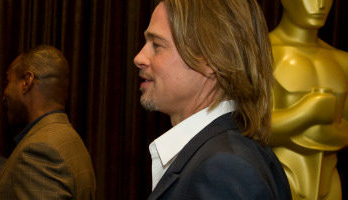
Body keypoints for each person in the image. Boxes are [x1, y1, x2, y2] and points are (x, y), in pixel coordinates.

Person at [134, 0, 292, 199]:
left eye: (157, 45)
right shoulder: (223, 155)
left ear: (211, 59)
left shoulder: (225, 169)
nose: (139, 57)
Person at [0, 45, 96, 200]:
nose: (4, 94)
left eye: (8, 81)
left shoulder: (39, 152)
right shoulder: (70, 139)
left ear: (27, 82)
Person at [268, 0, 348, 199]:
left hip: (331, 183)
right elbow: (250, 126)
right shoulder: (263, 53)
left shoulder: (342, 61)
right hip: (278, 177)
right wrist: (306, 113)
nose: (320, 5)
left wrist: (305, 128)